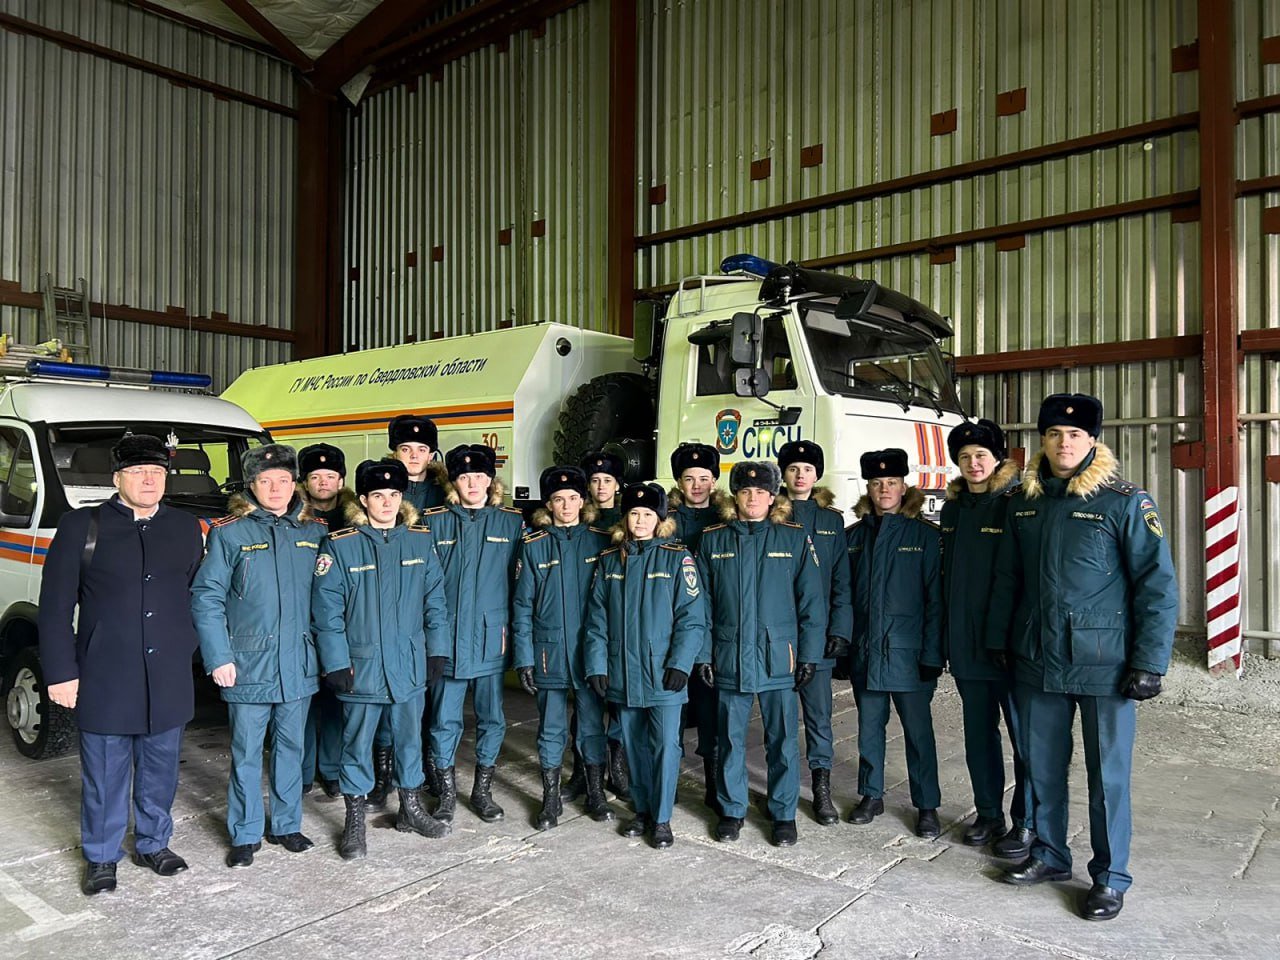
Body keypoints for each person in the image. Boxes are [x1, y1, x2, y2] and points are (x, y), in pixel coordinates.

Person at [987, 394, 1177, 921]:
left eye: (1074, 435)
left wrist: (1150, 661)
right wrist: (1000, 639)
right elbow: (1008, 578)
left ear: (1093, 440)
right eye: (1053, 434)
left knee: (1106, 777)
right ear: (1042, 441)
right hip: (1036, 657)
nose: (1063, 443)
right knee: (1041, 767)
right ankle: (1049, 855)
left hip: (1104, 663)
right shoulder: (1022, 503)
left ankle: (1110, 878)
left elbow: (1156, 586)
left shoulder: (1124, 501)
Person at [38, 433, 203, 895]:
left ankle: (153, 843)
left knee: (160, 768)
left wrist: (187, 645)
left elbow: (196, 595)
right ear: (117, 479)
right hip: (105, 673)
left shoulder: (185, 527)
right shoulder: (81, 526)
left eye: (157, 472)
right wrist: (61, 672)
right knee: (105, 774)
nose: (149, 480)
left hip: (166, 674)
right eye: (137, 472)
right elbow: (53, 606)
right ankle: (102, 856)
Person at [191, 444, 326, 867]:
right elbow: (206, 596)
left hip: (299, 662)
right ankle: (245, 832)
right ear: (251, 486)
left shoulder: (314, 531)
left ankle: (286, 825)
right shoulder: (230, 532)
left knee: (291, 748)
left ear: (294, 484)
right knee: (247, 751)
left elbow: (330, 600)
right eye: (265, 481)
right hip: (249, 663)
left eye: (283, 480)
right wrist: (218, 656)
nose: (275, 488)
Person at [312, 460, 451, 859]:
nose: (387, 502)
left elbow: (435, 602)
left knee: (409, 740)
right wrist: (335, 662)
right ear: (364, 500)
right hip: (363, 666)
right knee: (356, 745)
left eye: (394, 494)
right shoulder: (341, 545)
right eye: (378, 495)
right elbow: (327, 610)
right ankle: (355, 821)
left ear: (402, 497)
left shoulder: (420, 542)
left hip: (408, 664)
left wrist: (436, 650)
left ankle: (410, 808)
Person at [696, 461, 825, 847]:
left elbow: (812, 604)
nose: (753, 498)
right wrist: (703, 654)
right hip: (729, 655)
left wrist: (808, 656)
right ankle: (732, 809)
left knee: (782, 740)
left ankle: (783, 813)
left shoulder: (793, 538)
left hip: (778, 657)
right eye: (746, 492)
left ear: (773, 497)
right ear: (735, 496)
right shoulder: (712, 540)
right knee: (729, 739)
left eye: (761, 492)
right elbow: (698, 606)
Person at [583, 482, 705, 849]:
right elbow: (596, 621)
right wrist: (597, 666)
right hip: (623, 671)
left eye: (648, 514)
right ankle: (642, 809)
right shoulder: (609, 561)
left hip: (664, 674)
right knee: (633, 745)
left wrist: (682, 664)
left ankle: (663, 818)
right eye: (634, 513)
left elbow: (692, 618)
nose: (639, 520)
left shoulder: (676, 558)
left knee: (666, 746)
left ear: (660, 520)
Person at [939, 419, 1034, 858]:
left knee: (1025, 738)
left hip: (1011, 649)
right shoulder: (954, 509)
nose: (973, 464)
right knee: (979, 735)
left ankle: (1027, 822)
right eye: (964, 457)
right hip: (968, 646)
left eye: (981, 455)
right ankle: (988, 813)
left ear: (997, 458)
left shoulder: (1019, 502)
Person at [839, 448, 944, 839]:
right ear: (868, 487)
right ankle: (871, 794)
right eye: (878, 483)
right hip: (867, 651)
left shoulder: (924, 538)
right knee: (869, 728)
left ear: (904, 486)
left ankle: (927, 805)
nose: (885, 489)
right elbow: (845, 598)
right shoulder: (853, 538)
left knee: (919, 734)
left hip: (911, 656)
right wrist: (845, 649)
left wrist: (933, 654)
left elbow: (936, 601)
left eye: (893, 483)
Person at [424, 444, 524, 824]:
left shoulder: (510, 523)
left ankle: (482, 790)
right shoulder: (434, 521)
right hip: (446, 639)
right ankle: (447, 793)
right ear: (454, 481)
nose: (472, 483)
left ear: (490, 480)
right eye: (464, 476)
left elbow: (520, 584)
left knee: (491, 719)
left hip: (489, 639)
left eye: (479, 476)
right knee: (443, 720)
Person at [512, 466, 615, 829]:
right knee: (551, 728)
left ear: (583, 501)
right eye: (559, 499)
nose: (567, 505)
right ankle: (551, 798)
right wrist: (524, 657)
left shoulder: (602, 542)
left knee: (591, 726)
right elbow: (522, 607)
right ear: (549, 505)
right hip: (549, 652)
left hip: (591, 654)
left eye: (573, 498)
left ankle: (595, 793)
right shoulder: (534, 546)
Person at [775, 440, 852, 826]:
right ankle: (785, 787)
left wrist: (840, 630)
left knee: (820, 717)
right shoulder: (772, 515)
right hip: (779, 638)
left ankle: (821, 788)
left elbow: (841, 581)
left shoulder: (831, 521)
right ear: (783, 474)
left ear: (817, 475)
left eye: (807, 468)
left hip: (818, 636)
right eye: (792, 469)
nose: (800, 475)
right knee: (783, 721)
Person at [666, 442, 730, 814]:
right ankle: (669, 781)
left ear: (714, 480)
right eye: (689, 479)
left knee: (710, 710)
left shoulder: (725, 520)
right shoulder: (668, 519)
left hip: (712, 630)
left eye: (704, 478)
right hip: (671, 630)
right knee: (672, 707)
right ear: (679, 481)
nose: (697, 485)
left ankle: (713, 784)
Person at [296, 442, 354, 799]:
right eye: (315, 476)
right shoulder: (294, 519)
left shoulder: (354, 519)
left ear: (341, 479)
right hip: (301, 618)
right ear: (305, 482)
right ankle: (302, 771)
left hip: (343, 620)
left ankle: (331, 769)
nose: (323, 482)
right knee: (304, 699)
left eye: (330, 476)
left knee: (337, 697)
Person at [577, 448, 631, 801]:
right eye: (594, 480)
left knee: (622, 705)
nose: (600, 486)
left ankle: (620, 768)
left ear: (618, 485)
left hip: (623, 618)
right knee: (586, 705)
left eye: (607, 480)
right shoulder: (580, 520)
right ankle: (585, 773)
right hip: (587, 616)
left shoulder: (629, 520)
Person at [389, 414, 448, 513]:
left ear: (430, 456)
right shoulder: (381, 493)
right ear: (395, 454)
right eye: (405, 449)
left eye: (421, 450)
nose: (414, 455)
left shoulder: (446, 494)